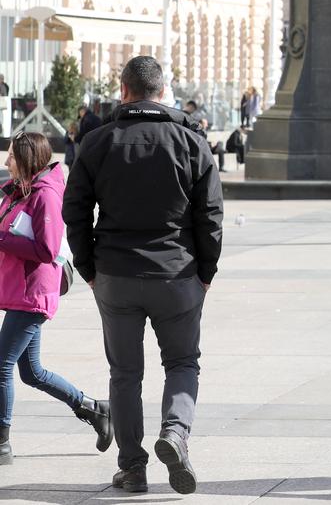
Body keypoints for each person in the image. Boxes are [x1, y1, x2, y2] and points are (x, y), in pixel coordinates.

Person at [63, 56, 223, 495]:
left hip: (115, 272)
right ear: (162, 91)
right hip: (177, 271)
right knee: (183, 362)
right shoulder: (191, 141)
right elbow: (210, 215)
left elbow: (73, 209)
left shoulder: (97, 142)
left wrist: (88, 266)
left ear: (124, 90)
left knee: (125, 373)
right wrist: (206, 270)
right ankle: (174, 432)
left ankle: (133, 468)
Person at [1, 132, 112, 465]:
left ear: (27, 159)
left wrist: (2, 238)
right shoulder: (17, 190)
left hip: (33, 292)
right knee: (31, 372)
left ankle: (2, 443)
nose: (6, 161)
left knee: (1, 365)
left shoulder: (46, 195)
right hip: (19, 291)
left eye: (10, 156)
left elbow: (48, 249)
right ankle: (93, 409)